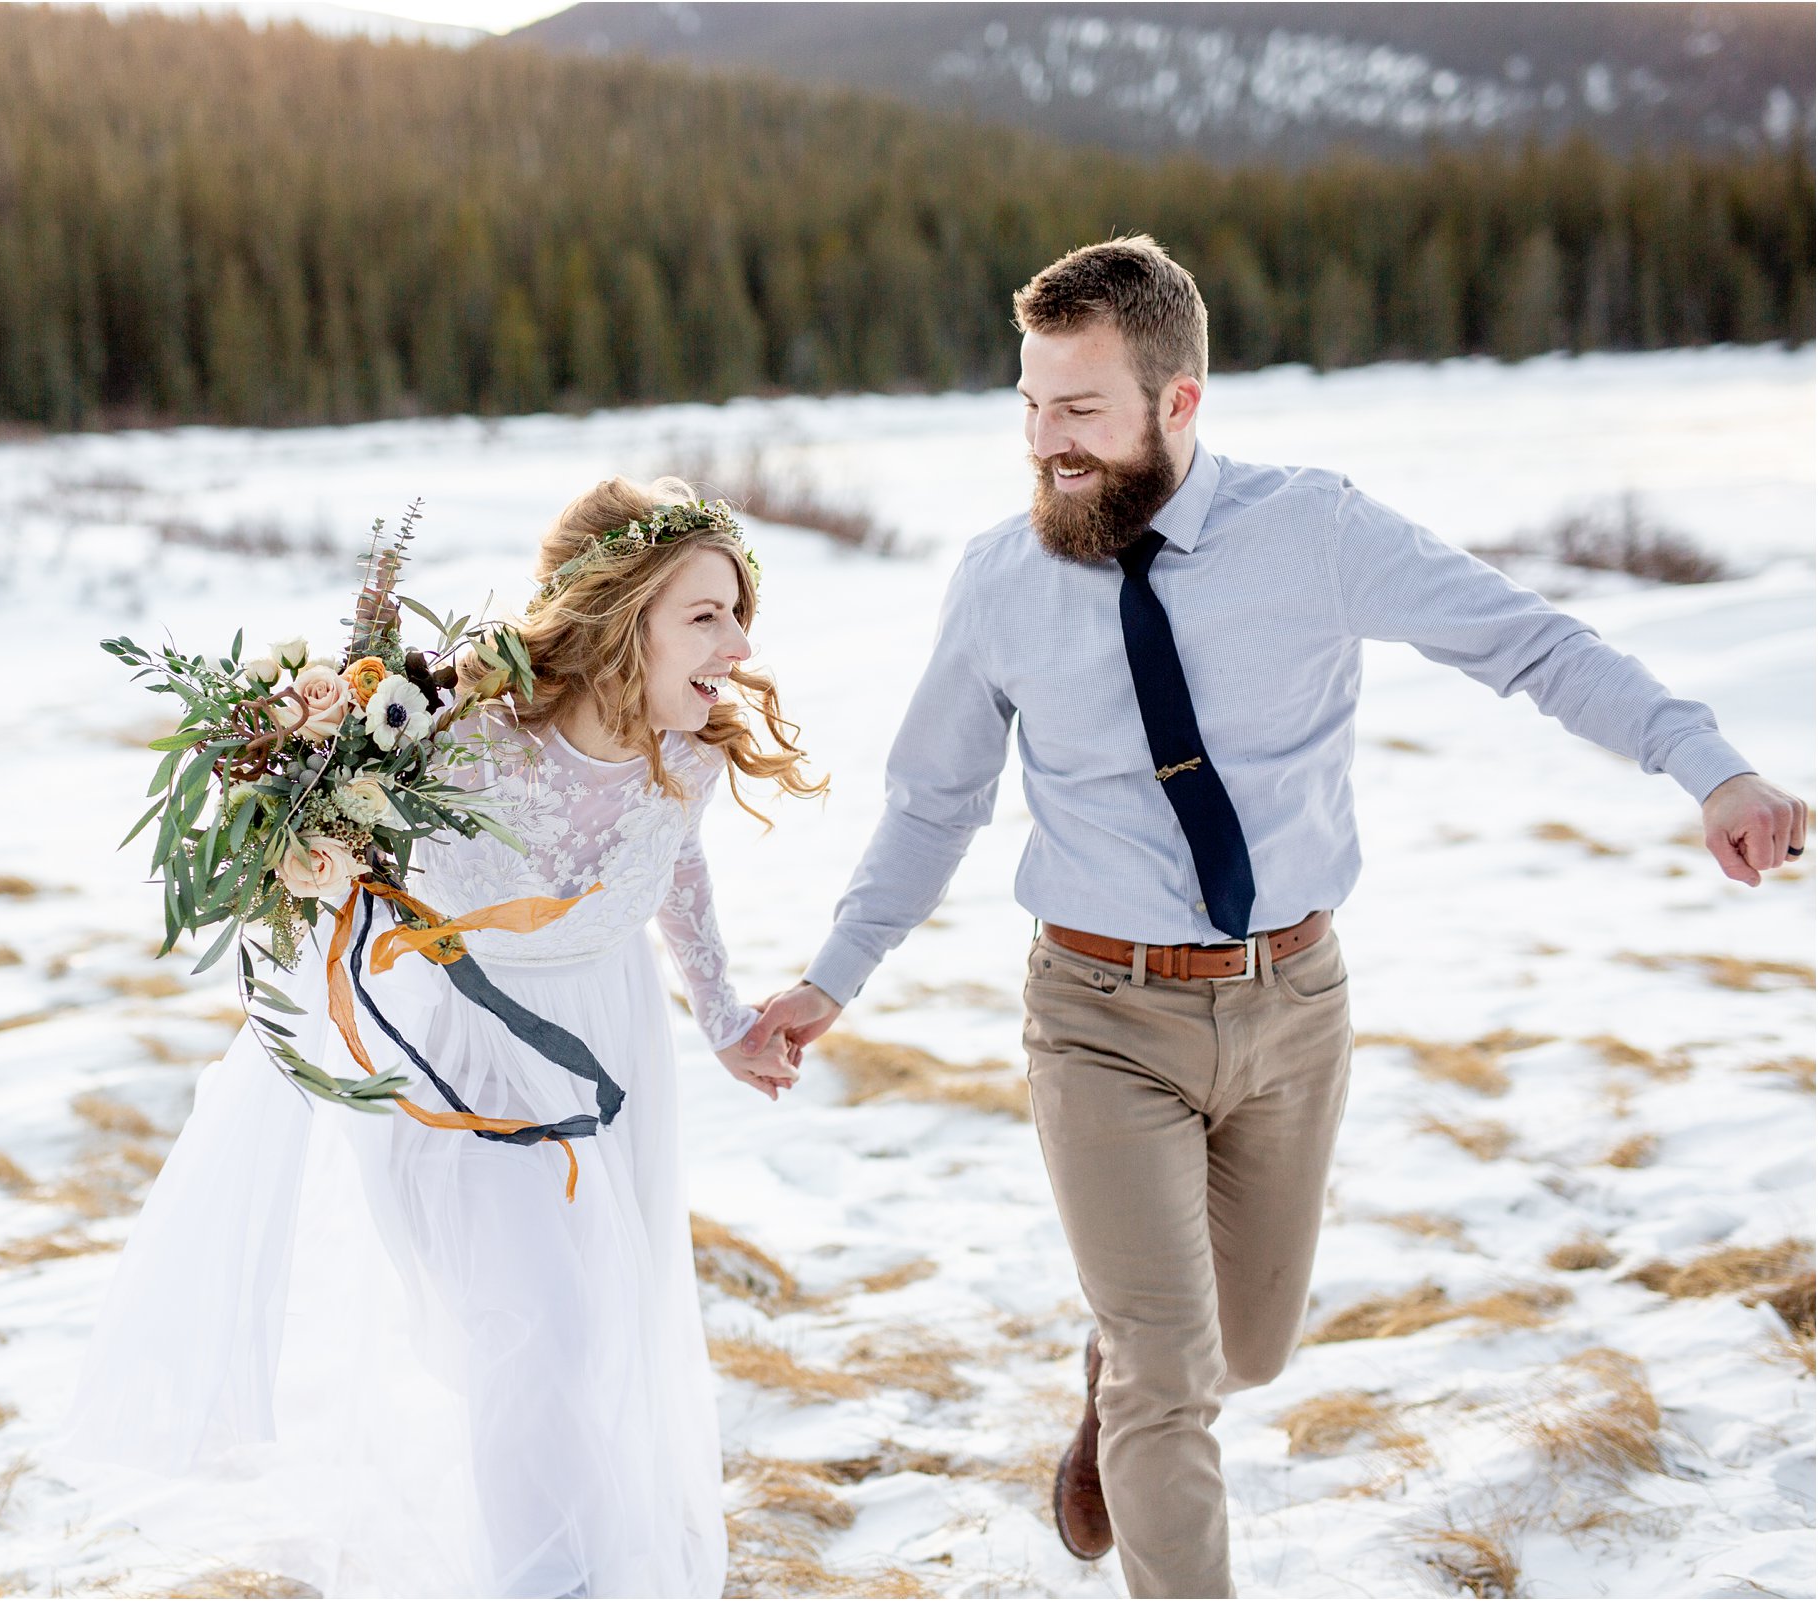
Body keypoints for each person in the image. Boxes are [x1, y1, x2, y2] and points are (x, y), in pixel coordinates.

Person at [742, 235, 1808, 1599]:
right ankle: (1133, 1383)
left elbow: (1527, 643)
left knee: (1245, 1351)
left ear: (1177, 402)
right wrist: (833, 978)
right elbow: (929, 801)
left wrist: (1702, 762)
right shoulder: (996, 581)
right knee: (1168, 1380)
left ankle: (1117, 1369)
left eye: (1077, 412)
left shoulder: (1312, 533)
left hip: (1292, 1008)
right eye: (1026, 407)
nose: (1041, 446)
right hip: (1095, 1015)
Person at [52, 475, 819, 1598]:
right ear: (616, 614)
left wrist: (721, 1018)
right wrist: (304, 799)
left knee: (595, 1330)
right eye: (705, 614)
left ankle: (579, 1564)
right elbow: (333, 848)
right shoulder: (458, 734)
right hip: (449, 1060)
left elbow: (674, 866)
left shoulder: (688, 756)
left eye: (739, 610)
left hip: (608, 1054)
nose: (738, 643)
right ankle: (540, 1581)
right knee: (537, 1328)